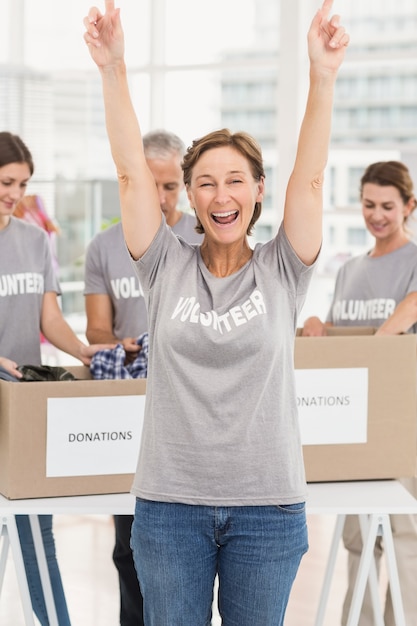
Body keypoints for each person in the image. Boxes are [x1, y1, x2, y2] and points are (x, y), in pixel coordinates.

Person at [84, 1, 348, 624]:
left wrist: (323, 76)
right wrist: (114, 68)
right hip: (170, 510)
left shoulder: (283, 269)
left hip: (268, 512)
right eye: (205, 182)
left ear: (259, 191)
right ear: (190, 197)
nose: (220, 194)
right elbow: (129, 175)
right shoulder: (165, 265)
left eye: (235, 180)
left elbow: (309, 182)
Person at [84, 129, 203, 626]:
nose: (160, 197)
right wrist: (121, 345)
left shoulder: (207, 235)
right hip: (133, 405)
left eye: (171, 186)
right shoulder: (103, 248)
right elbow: (95, 328)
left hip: (195, 407)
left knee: (193, 543)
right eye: (150, 185)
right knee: (131, 542)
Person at [0, 130, 114, 626]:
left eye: (23, 184)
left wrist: (89, 350)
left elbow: (49, 320)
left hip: (22, 403)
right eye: (7, 181)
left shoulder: (34, 240)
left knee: (34, 530)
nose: (15, 193)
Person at [302, 160, 417, 626]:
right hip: (352, 424)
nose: (377, 215)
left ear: (409, 206)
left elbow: (399, 326)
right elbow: (342, 342)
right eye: (369, 205)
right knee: (357, 539)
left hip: (402, 422)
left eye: (387, 206)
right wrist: (315, 326)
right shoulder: (349, 270)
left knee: (405, 535)